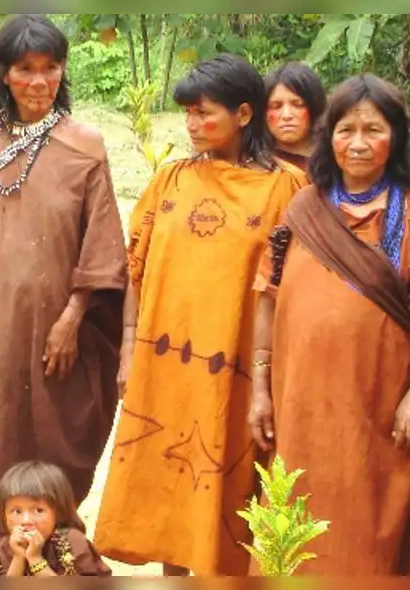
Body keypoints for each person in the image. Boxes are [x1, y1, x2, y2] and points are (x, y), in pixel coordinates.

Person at [92, 54, 307, 576]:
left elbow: (293, 291)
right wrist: (126, 349)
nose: (191, 124)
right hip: (163, 369)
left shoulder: (286, 188)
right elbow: (136, 270)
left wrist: (272, 379)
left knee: (231, 498)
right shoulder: (169, 181)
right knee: (168, 492)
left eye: (203, 112)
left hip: (237, 378)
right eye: (186, 112)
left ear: (244, 113)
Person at [0, 14, 127, 557]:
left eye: (51, 68)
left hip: (48, 322)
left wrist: (72, 318)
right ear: (3, 73)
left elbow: (102, 244)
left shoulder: (85, 144)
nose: (39, 82)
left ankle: (43, 549)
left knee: (41, 427)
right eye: (25, 69)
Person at [249, 74, 410, 575]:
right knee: (294, 527)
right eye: (346, 130)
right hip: (300, 409)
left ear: (397, 138)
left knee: (368, 533)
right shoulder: (304, 209)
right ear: (329, 135)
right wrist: (260, 387)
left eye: (373, 130)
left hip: (380, 412)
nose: (358, 144)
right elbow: (268, 298)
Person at [0, 461, 110, 577]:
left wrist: (35, 559)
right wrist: (18, 557)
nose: (26, 520)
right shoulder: (7, 545)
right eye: (17, 511)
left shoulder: (71, 540)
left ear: (58, 511)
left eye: (39, 510)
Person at [264, 62, 327, 172]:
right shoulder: (253, 166)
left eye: (298, 105)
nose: (287, 115)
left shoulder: (334, 162)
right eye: (276, 106)